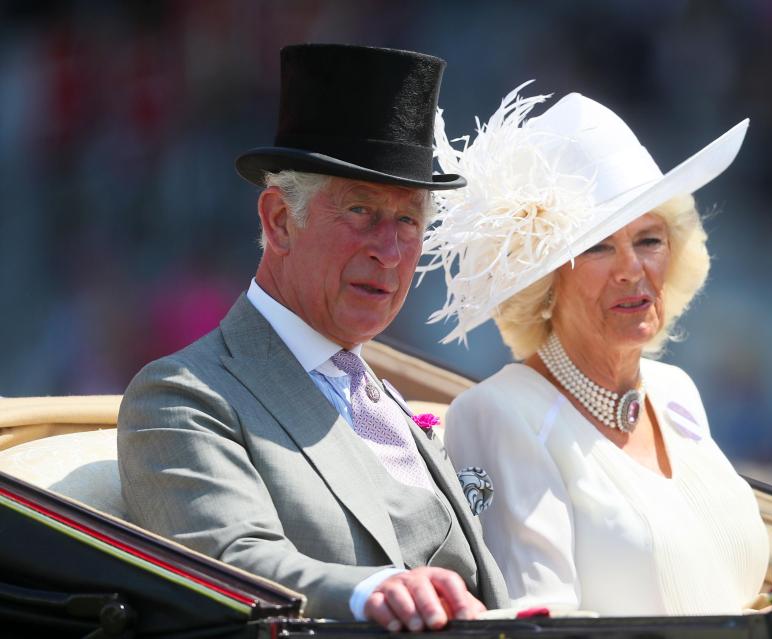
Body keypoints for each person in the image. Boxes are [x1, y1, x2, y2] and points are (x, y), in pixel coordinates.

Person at [117, 44, 508, 630]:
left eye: (408, 220)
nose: (390, 249)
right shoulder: (184, 396)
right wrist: (374, 592)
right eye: (360, 210)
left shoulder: (385, 396)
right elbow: (229, 563)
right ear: (279, 221)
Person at [420, 85, 769, 615]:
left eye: (649, 240)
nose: (632, 268)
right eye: (598, 246)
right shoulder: (498, 414)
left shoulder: (677, 392)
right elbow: (542, 621)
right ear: (542, 282)